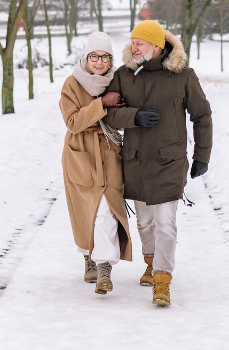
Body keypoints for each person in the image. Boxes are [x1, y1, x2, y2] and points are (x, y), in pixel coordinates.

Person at [102, 20, 212, 306]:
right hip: (136, 162)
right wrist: (133, 117)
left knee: (166, 222)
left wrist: (202, 156)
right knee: (145, 223)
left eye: (139, 42)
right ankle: (150, 263)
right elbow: (108, 114)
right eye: (132, 42)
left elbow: (202, 116)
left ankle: (162, 281)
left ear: (157, 46)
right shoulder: (124, 75)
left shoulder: (183, 76)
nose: (132, 47)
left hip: (169, 161)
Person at [59, 31, 133, 295]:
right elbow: (73, 122)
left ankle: (104, 269)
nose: (99, 62)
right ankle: (89, 258)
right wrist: (102, 103)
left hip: (110, 152)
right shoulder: (72, 84)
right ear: (87, 57)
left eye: (105, 57)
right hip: (80, 154)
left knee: (107, 210)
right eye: (94, 56)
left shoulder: (118, 80)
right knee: (85, 210)